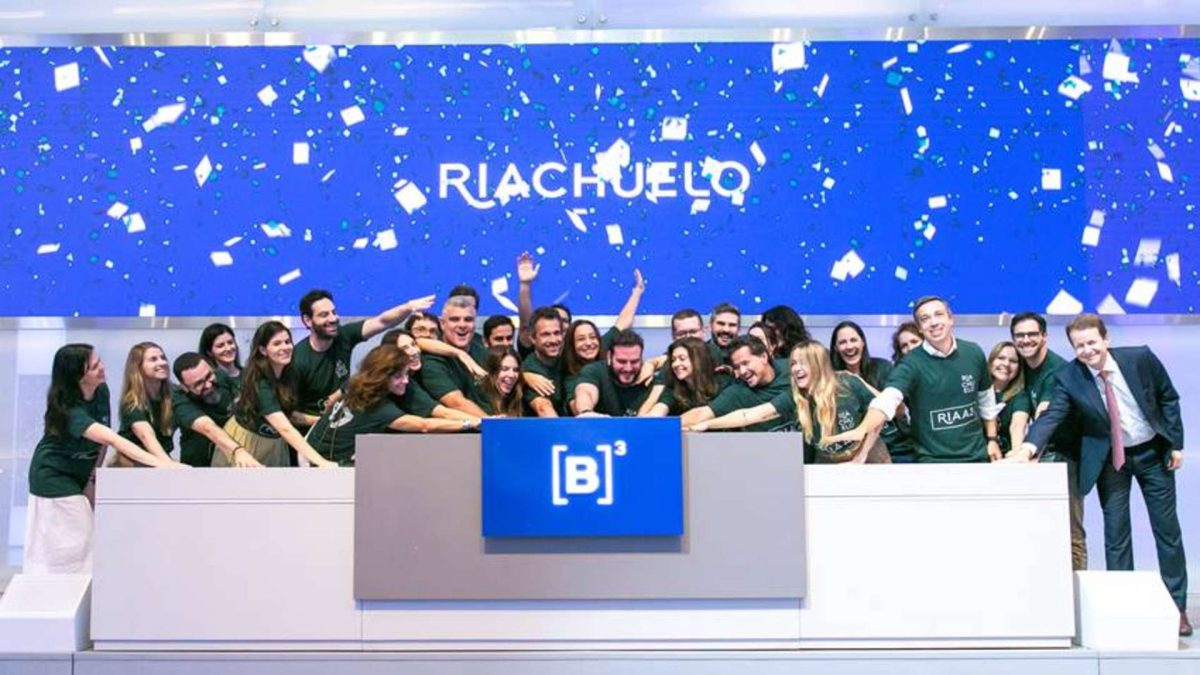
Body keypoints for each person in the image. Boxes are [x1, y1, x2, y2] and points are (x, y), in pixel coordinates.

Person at [1013, 313, 1191, 636]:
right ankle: (1124, 607)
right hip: (1111, 460)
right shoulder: (1069, 377)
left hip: (1153, 455)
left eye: (1092, 342)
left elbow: (1168, 397)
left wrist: (1176, 444)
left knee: (1167, 532)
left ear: (1106, 339)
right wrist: (1027, 448)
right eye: (1079, 346)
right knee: (1116, 535)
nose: (1087, 350)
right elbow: (1052, 415)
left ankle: (1176, 608)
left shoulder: (1140, 358)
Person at [25, 344, 183, 574]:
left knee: (90, 537)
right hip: (54, 476)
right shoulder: (69, 410)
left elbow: (101, 442)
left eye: (99, 361)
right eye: (94, 366)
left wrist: (92, 478)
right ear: (79, 377)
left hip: (82, 474)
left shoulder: (101, 390)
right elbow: (113, 439)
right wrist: (164, 465)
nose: (102, 367)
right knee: (78, 537)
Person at [825, 296, 1001, 463]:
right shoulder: (911, 363)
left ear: (951, 319)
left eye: (938, 314)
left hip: (977, 457)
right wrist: (862, 429)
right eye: (925, 319)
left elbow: (986, 399)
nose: (933, 322)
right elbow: (888, 400)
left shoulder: (973, 352)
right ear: (920, 328)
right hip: (932, 461)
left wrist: (992, 439)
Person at [691, 342, 888, 463]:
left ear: (818, 364)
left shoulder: (847, 383)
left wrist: (861, 453)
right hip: (829, 461)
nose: (796, 369)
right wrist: (707, 424)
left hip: (869, 457)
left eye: (803, 363)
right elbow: (750, 415)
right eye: (793, 363)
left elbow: (880, 412)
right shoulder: (795, 397)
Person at [307, 344, 480, 465]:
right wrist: (469, 423)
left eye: (406, 374)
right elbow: (424, 426)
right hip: (322, 464)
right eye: (398, 376)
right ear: (381, 376)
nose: (405, 381)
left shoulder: (355, 383)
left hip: (311, 445)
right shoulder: (379, 410)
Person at [291, 289, 436, 428]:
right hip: (311, 432)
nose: (333, 318)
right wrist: (324, 422)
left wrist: (408, 307)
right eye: (324, 315)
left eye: (333, 312)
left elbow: (382, 322)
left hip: (341, 421)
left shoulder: (343, 336)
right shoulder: (297, 360)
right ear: (307, 320)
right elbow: (290, 415)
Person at [1011, 311, 1087, 570]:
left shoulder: (1058, 370)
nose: (1026, 340)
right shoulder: (1022, 367)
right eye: (1020, 335)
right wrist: (1018, 455)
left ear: (1044, 336)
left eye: (1032, 334)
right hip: (1037, 455)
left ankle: (1075, 587)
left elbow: (1045, 416)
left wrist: (1028, 454)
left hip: (1065, 455)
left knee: (1069, 528)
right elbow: (1018, 419)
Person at [225, 321, 336, 468]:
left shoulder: (288, 372)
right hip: (247, 442)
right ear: (263, 350)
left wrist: (325, 421)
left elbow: (289, 415)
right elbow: (285, 428)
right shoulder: (260, 382)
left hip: (274, 442)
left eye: (287, 342)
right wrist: (322, 462)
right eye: (277, 344)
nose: (285, 347)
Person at [831, 321, 916, 463]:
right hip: (855, 452)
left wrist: (858, 381)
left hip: (896, 448)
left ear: (863, 342)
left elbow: (899, 410)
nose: (849, 346)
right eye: (843, 342)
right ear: (836, 348)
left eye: (853, 340)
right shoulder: (832, 378)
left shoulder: (883, 367)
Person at [680, 336, 794, 431]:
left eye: (745, 363)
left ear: (763, 357)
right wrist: (670, 426)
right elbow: (702, 414)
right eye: (737, 367)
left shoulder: (791, 370)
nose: (742, 371)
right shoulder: (737, 393)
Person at [172, 352, 261, 468]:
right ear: (184, 387)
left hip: (235, 458)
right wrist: (238, 451)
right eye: (199, 383)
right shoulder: (179, 399)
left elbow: (240, 402)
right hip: (201, 465)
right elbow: (208, 428)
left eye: (209, 376)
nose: (208, 385)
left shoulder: (221, 376)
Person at [378, 329, 481, 424]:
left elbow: (422, 342)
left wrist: (460, 353)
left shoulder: (417, 367)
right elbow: (442, 414)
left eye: (413, 345)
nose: (414, 352)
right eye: (404, 348)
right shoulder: (405, 385)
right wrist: (484, 423)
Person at [420, 296, 492, 417]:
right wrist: (493, 423)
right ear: (442, 324)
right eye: (454, 319)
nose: (462, 325)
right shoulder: (431, 359)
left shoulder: (482, 351)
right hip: (461, 427)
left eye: (468, 319)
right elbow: (456, 402)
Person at [116, 342, 176, 467]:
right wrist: (170, 466)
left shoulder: (175, 393)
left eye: (163, 357)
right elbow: (145, 435)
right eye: (153, 359)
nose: (162, 362)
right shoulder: (131, 402)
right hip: (132, 460)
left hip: (161, 456)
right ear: (138, 367)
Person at [642, 337, 728, 416]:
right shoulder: (674, 389)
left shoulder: (723, 383)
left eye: (682, 359)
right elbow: (658, 411)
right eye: (673, 360)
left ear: (699, 359)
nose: (675, 364)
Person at [572, 329, 651, 416]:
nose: (628, 368)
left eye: (634, 362)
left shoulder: (649, 377)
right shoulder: (594, 371)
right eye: (621, 362)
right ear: (609, 357)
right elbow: (586, 392)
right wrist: (586, 413)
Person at [987, 341, 1031, 455]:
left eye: (1013, 361)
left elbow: (1017, 425)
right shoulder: (977, 390)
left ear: (1019, 368)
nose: (1006, 364)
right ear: (991, 361)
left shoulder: (1021, 396)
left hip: (1005, 456)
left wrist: (1016, 453)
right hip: (974, 456)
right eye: (1001, 358)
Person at [521, 307, 567, 417]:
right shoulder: (530, 369)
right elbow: (543, 408)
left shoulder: (568, 358)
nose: (553, 340)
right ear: (532, 338)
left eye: (557, 333)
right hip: (546, 426)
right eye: (545, 334)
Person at [471, 347, 525, 417]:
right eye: (504, 369)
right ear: (492, 371)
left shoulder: (517, 397)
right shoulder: (479, 398)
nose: (512, 375)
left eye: (515, 370)